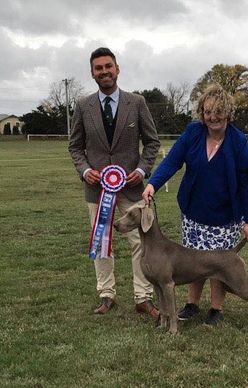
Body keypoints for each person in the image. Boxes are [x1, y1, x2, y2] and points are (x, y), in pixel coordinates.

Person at [142, 84, 248, 325]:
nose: (212, 117)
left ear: (228, 113)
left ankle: (216, 309)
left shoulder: (239, 143)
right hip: (193, 213)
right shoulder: (194, 133)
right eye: (207, 112)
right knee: (192, 262)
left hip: (224, 216)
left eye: (217, 112)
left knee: (218, 266)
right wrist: (153, 183)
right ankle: (192, 304)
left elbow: (247, 184)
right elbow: (172, 160)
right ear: (201, 113)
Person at [69, 47, 160, 319]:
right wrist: (86, 171)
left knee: (141, 242)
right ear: (92, 73)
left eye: (108, 66)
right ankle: (106, 294)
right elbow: (75, 147)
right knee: (101, 243)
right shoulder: (83, 106)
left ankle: (143, 297)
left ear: (117, 69)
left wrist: (142, 170)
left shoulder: (137, 102)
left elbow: (152, 142)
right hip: (97, 191)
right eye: (99, 68)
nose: (104, 72)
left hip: (132, 189)